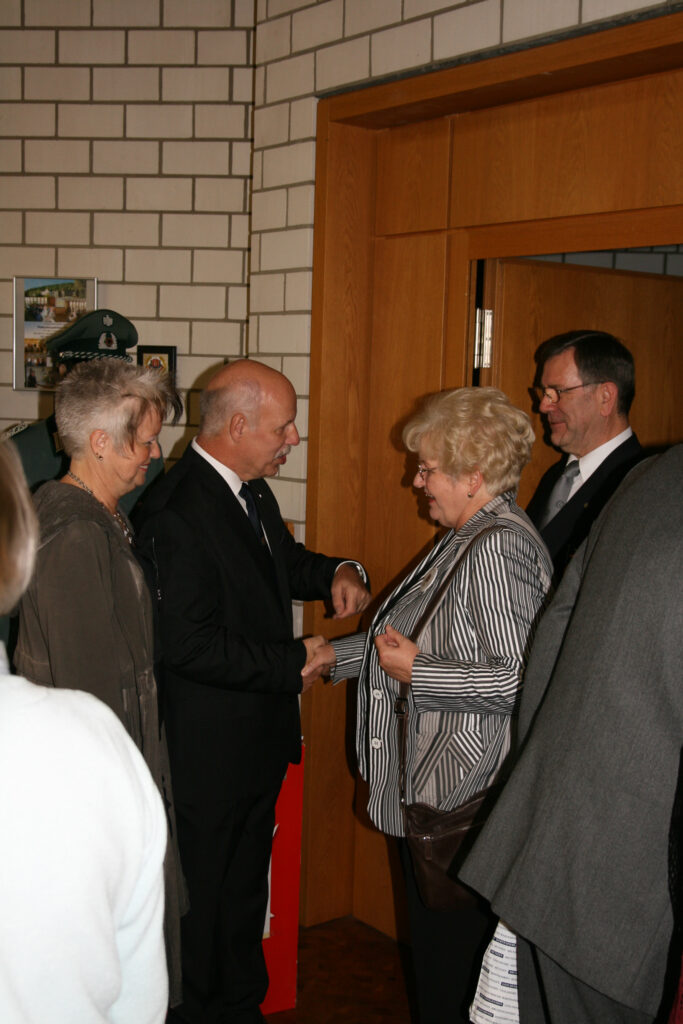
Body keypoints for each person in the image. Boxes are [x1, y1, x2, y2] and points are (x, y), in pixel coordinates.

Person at [304, 386, 553, 1024]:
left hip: (460, 805)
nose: (415, 481)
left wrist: (422, 672)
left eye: (428, 469)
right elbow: (409, 639)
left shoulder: (499, 547)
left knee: (455, 979)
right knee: (440, 969)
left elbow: (521, 681)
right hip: (435, 798)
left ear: (473, 477)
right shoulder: (468, 532)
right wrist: (336, 656)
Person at [134, 358, 371, 1024]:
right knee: (204, 908)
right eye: (283, 426)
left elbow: (280, 563)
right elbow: (187, 645)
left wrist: (337, 570)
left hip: (253, 748)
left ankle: (240, 1007)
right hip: (207, 758)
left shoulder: (248, 489)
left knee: (242, 901)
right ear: (237, 426)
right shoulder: (175, 512)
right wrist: (291, 660)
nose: (293, 438)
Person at [459, 444, 683, 1024]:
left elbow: (551, 633)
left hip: (556, 837)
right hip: (629, 887)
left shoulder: (653, 476)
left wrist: (540, 775)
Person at [13, 358, 186, 1008]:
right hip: (97, 816)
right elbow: (93, 708)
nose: (154, 454)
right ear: (100, 443)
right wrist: (127, 830)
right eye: (145, 441)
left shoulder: (98, 517)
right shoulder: (75, 537)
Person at [526, 329, 643, 579]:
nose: (543, 406)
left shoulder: (639, 484)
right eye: (544, 393)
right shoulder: (556, 476)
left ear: (605, 398)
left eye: (557, 392)